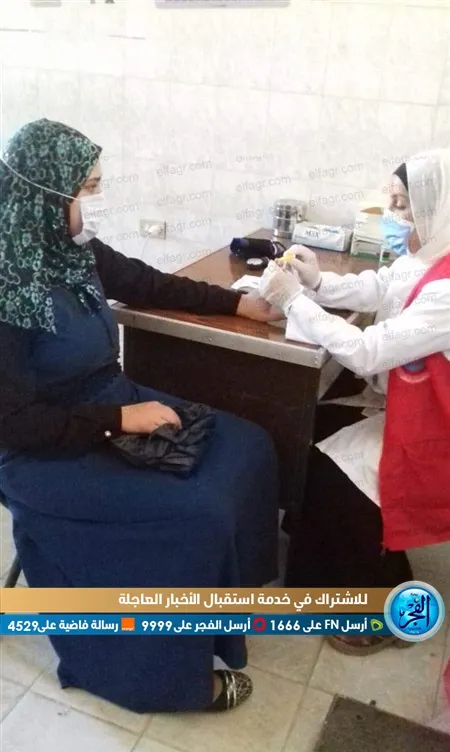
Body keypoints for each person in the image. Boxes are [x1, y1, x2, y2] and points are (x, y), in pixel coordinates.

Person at [0, 118, 281, 712]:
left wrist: (237, 304)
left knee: (249, 446)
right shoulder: (7, 286)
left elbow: (144, 281)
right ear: (47, 196)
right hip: (41, 449)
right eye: (86, 189)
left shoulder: (66, 249)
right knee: (196, 512)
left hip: (107, 400)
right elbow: (15, 423)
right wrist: (120, 421)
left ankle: (225, 607)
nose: (92, 203)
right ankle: (160, 679)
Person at [259, 149, 450, 655]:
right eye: (393, 201)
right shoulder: (427, 256)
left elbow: (367, 351)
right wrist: (316, 281)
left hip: (436, 430)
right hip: (407, 403)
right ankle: (322, 557)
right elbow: (379, 288)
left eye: (404, 205)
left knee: (336, 470)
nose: (393, 215)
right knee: (310, 423)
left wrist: (292, 300)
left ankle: (382, 605)